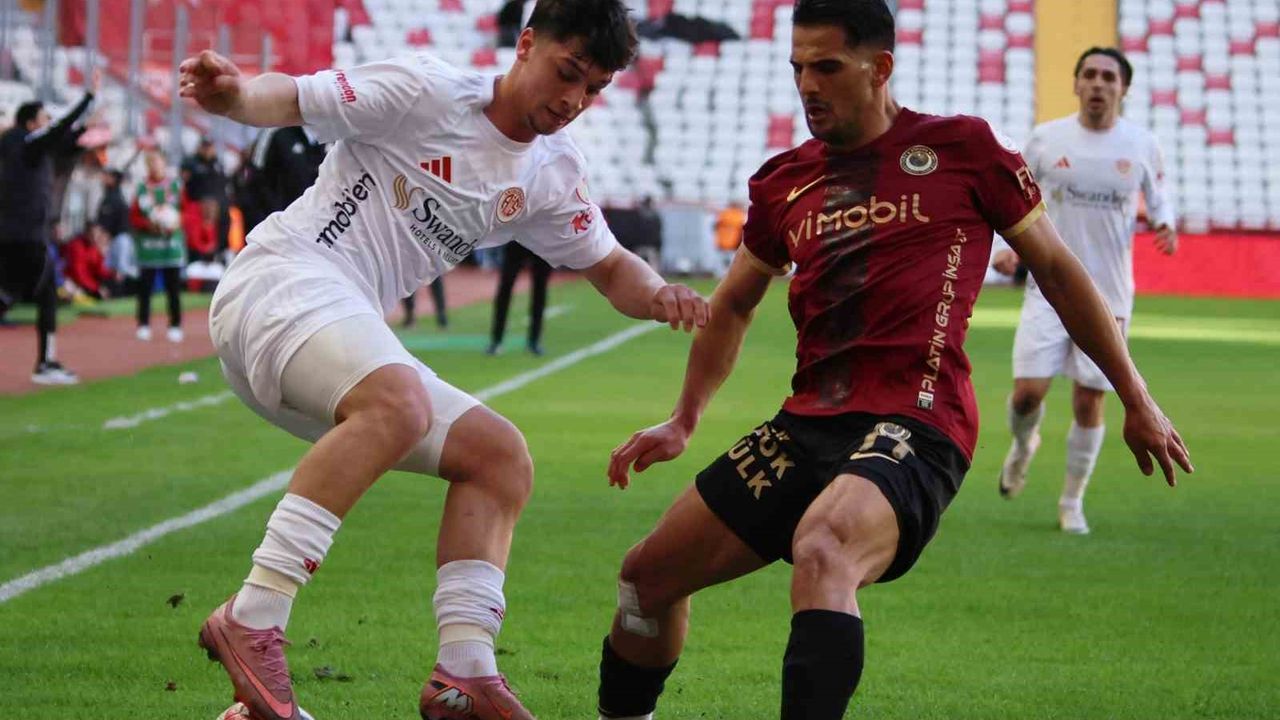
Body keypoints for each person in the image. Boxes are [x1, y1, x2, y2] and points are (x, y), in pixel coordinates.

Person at [595, 3, 1193, 719]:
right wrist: (684, 419)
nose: (807, 85)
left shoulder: (963, 149)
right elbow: (733, 304)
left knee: (824, 546)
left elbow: (1060, 272)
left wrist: (1136, 396)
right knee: (645, 581)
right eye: (797, 68)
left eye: (826, 67)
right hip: (807, 423)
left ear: (879, 67)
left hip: (920, 420)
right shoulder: (784, 181)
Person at [177, 1, 708, 718]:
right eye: (568, 72)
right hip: (281, 281)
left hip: (336, 330)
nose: (574, 100)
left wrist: (660, 293)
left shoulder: (552, 171)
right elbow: (294, 97)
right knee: (401, 403)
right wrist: (236, 96)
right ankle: (254, 614)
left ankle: (465, 671)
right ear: (526, 44)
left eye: (594, 88)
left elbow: (611, 266)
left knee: (499, 456)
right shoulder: (426, 90)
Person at [991, 47, 1178, 535]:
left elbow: (1160, 197)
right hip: (1048, 288)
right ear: (1076, 84)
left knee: (1089, 401)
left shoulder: (1142, 144)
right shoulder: (1046, 139)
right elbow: (1014, 195)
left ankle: (1072, 502)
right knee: (1027, 395)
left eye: (1108, 77)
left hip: (1109, 293)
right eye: (1090, 75)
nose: (1098, 83)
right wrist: (1007, 248)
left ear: (1123, 89)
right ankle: (1023, 445)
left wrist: (1165, 223)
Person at [0, 74, 97, 385]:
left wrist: (84, 126)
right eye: (43, 119)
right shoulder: (24, 144)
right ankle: (45, 363)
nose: (47, 123)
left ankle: (47, 361)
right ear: (31, 123)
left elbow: (61, 138)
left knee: (33, 293)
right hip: (24, 236)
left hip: (19, 234)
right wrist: (87, 98)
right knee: (22, 293)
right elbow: (57, 131)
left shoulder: (24, 147)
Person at [130, 150, 186, 343]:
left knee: (173, 288)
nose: (155, 166)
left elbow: (187, 211)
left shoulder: (176, 187)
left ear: (164, 163)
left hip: (171, 246)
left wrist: (178, 222)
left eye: (158, 162)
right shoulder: (141, 188)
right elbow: (134, 216)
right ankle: (143, 324)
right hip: (148, 247)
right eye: (151, 163)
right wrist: (147, 225)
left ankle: (175, 325)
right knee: (145, 288)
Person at [487, 241, 552, 355]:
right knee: (505, 286)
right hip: (518, 239)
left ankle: (534, 341)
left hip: (542, 241)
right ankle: (496, 340)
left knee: (540, 289)